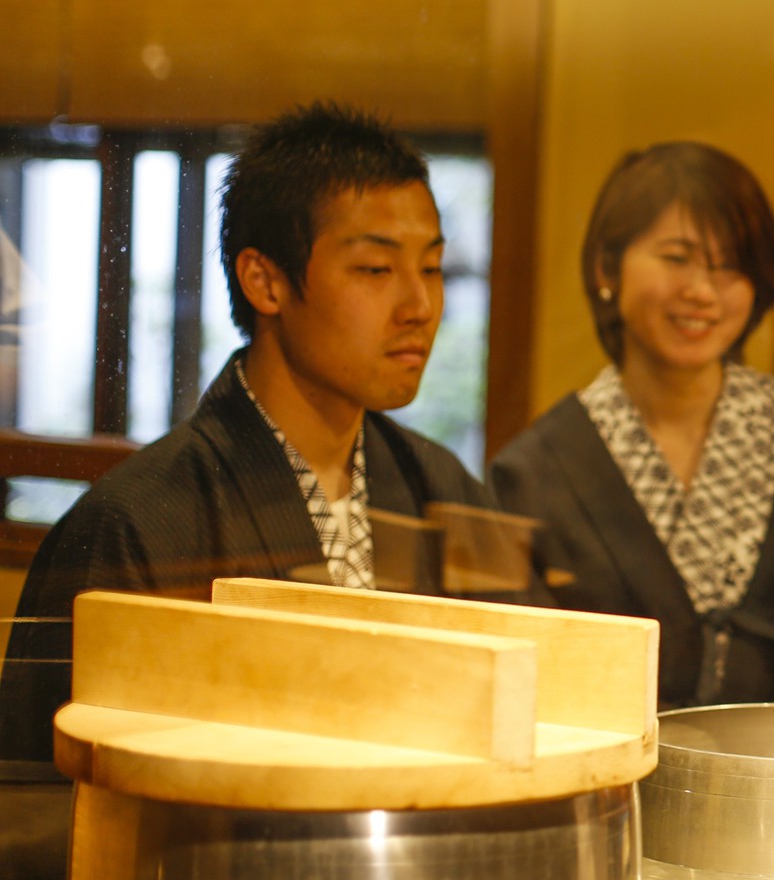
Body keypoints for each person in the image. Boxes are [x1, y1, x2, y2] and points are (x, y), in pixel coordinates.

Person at [16, 102, 512, 621]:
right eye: (376, 268)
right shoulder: (138, 523)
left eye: (432, 267)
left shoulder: (440, 490)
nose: (422, 307)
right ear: (265, 281)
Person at [490, 143, 774, 708]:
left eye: (730, 264)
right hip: (608, 782)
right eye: (677, 257)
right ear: (606, 267)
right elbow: (522, 677)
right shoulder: (535, 471)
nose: (703, 292)